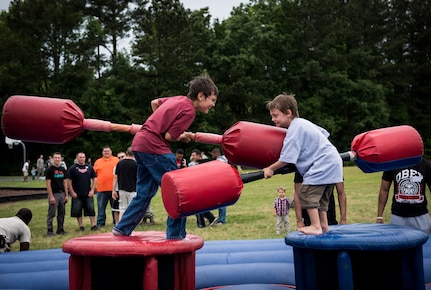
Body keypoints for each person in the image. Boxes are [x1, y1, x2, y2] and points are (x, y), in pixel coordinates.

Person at [113, 74, 219, 239]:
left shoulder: (177, 99)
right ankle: (176, 235)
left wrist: (161, 123)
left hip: (140, 144)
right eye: (212, 99)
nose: (213, 104)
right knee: (179, 191)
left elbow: (154, 103)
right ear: (200, 96)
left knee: (145, 192)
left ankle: (122, 228)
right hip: (155, 148)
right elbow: (170, 136)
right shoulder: (189, 110)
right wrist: (182, 135)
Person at [263, 93, 343, 235]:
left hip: (322, 163)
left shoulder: (294, 129)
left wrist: (270, 168)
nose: (273, 119)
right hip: (333, 160)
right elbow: (323, 134)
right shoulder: (304, 123)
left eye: (275, 115)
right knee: (322, 198)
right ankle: (324, 225)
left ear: (288, 112)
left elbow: (287, 158)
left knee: (306, 194)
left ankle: (315, 226)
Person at [376, 159, 431, 234]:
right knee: (397, 244)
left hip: (421, 215)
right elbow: (384, 190)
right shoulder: (393, 164)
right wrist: (379, 216)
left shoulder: (426, 165)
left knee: (425, 244)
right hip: (398, 216)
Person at [66, 152, 98, 231]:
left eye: (83, 157)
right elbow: (68, 180)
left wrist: (92, 190)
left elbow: (95, 178)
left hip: (88, 193)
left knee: (91, 209)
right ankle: (81, 226)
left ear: (85, 158)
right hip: (77, 193)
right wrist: (72, 192)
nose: (82, 159)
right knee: (77, 210)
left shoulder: (89, 167)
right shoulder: (72, 168)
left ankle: (93, 225)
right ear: (77, 158)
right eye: (80, 157)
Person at [189, 149, 218, 228]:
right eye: (192, 155)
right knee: (198, 206)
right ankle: (211, 218)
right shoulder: (194, 164)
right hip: (197, 186)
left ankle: (201, 224)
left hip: (202, 187)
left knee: (197, 206)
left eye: (194, 155)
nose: (192, 157)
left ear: (199, 155)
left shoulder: (204, 163)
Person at [93, 146, 119, 227]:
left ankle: (116, 222)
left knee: (115, 207)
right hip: (101, 189)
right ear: (102, 152)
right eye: (105, 151)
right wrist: (94, 187)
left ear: (111, 152)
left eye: (108, 151)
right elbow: (94, 176)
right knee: (101, 207)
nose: (106, 152)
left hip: (113, 189)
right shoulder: (98, 161)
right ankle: (100, 223)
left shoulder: (116, 160)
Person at [45, 152, 68, 237]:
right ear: (52, 159)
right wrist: (51, 196)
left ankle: (60, 229)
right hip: (54, 194)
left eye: (59, 157)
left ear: (61, 159)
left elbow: (65, 182)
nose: (57, 159)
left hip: (62, 193)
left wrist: (66, 195)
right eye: (56, 157)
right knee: (52, 213)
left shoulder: (63, 169)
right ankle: (50, 230)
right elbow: (48, 183)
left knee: (62, 213)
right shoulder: (50, 170)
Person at [112, 148, 137, 221]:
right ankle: (130, 226)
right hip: (133, 189)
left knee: (122, 209)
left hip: (121, 189)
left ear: (126, 153)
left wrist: (113, 190)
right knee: (132, 209)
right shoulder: (135, 164)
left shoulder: (119, 163)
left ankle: (120, 225)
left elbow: (115, 177)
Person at [210, 147, 229, 225]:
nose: (212, 156)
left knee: (221, 202)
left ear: (216, 154)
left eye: (212, 154)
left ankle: (222, 220)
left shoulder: (219, 161)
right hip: (224, 181)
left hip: (221, 182)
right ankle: (221, 218)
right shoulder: (224, 159)